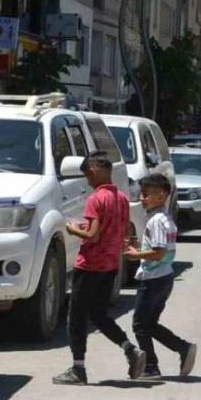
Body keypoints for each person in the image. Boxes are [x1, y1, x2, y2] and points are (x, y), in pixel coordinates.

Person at [54, 151, 147, 385]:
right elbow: (124, 230)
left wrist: (74, 229)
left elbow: (93, 235)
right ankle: (130, 350)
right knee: (99, 314)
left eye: (87, 176)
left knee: (75, 317)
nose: (87, 181)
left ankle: (78, 370)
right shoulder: (122, 199)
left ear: (94, 172)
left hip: (89, 266)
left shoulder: (96, 199)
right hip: (110, 266)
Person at [123, 173, 197, 381]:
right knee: (150, 324)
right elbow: (157, 248)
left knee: (139, 324)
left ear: (161, 196)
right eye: (142, 194)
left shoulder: (155, 221)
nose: (142, 199)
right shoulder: (165, 219)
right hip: (164, 277)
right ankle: (183, 348)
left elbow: (159, 251)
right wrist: (139, 246)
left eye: (146, 195)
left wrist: (137, 255)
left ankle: (151, 367)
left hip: (153, 278)